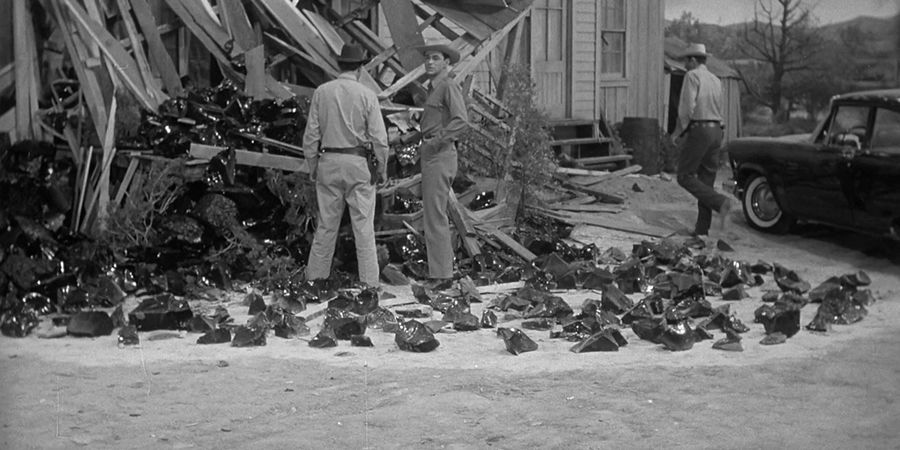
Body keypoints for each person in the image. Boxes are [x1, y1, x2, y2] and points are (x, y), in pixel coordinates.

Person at [302, 44, 388, 287]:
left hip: (328, 161)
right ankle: (369, 285)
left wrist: (312, 165)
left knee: (326, 227)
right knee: (363, 228)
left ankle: (315, 281)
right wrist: (381, 168)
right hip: (358, 163)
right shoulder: (366, 95)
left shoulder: (322, 92)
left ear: (339, 66)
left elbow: (311, 136)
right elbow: (379, 139)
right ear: (360, 68)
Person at [414, 42, 470, 285]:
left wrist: (436, 141)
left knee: (435, 215)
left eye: (435, 58)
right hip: (432, 153)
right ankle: (440, 271)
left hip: (440, 154)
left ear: (447, 62)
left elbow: (461, 121)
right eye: (427, 58)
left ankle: (442, 275)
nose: (429, 62)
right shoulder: (433, 88)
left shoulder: (447, 86)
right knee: (433, 213)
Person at [672, 43, 732, 237]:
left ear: (693, 60)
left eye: (686, 61)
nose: (685, 65)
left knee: (684, 176)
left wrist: (677, 133)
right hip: (717, 130)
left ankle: (720, 202)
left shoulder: (692, 76)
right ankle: (702, 230)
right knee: (706, 181)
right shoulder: (715, 79)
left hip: (701, 129)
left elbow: (687, 108)